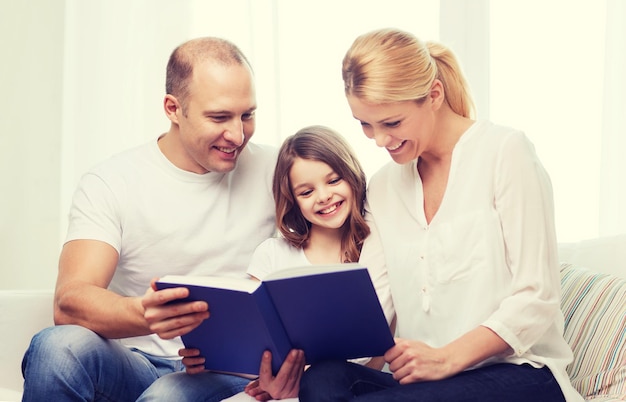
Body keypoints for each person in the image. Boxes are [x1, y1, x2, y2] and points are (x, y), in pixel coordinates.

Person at [298, 28, 584, 401]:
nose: (379, 140)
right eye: (365, 124)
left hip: (521, 374)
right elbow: (375, 303)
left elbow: (537, 298)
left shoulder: (505, 153)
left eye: (392, 123)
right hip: (430, 385)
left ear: (434, 95)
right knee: (323, 379)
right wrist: (295, 364)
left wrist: (446, 358)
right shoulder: (384, 187)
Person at [20, 36, 280, 402]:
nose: (238, 135)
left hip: (229, 372)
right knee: (57, 347)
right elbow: (70, 301)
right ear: (173, 108)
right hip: (136, 362)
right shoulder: (112, 181)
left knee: (165, 398)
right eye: (219, 117)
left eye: (247, 115)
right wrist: (142, 314)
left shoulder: (279, 171)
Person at [147, 125, 394, 401]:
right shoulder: (273, 254)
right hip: (279, 385)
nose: (323, 196)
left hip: (348, 385)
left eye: (334, 180)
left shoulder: (376, 248)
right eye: (306, 192)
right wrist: (209, 360)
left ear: (352, 176)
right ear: (293, 200)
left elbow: (376, 353)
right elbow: (251, 339)